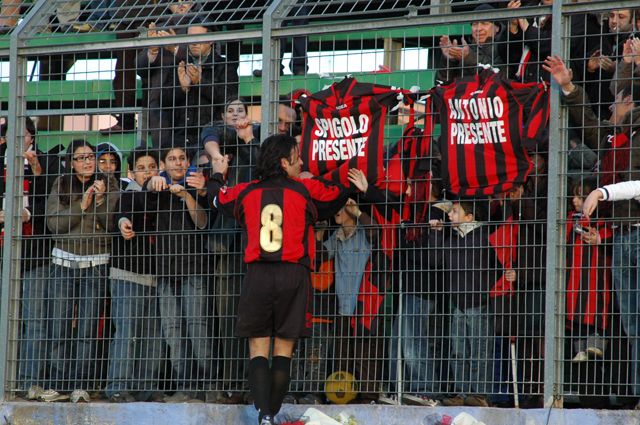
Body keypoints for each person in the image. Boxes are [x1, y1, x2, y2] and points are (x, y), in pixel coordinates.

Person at [207, 134, 356, 425]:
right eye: (297, 156)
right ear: (284, 162)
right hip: (294, 275)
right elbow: (337, 193)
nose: (302, 162)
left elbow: (216, 197)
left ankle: (264, 416)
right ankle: (270, 414)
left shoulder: (246, 191)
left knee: (258, 350)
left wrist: (217, 172)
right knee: (284, 352)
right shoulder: (305, 189)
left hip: (259, 275)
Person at [46, 139, 119, 400]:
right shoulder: (62, 184)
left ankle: (81, 385)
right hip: (63, 262)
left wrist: (99, 201)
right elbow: (54, 224)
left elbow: (110, 224)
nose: (88, 162)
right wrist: (82, 207)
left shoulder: (109, 184)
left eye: (91, 157)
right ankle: (59, 384)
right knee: (59, 325)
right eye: (81, 158)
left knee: (88, 328)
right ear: (71, 162)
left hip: (96, 263)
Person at [145, 145, 213, 402]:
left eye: (182, 158)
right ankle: (185, 386)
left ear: (188, 162)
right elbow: (140, 208)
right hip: (165, 271)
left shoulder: (196, 186)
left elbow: (203, 222)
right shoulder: (156, 188)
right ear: (163, 164)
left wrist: (187, 196)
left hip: (193, 269)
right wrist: (153, 184)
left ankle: (206, 386)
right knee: (173, 331)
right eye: (171, 159)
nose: (177, 163)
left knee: (198, 328)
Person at [0, 117, 62, 395]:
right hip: (4, 251)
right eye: (10, 134)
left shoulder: (47, 162)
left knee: (34, 320)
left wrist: (36, 172)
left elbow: (53, 201)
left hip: (34, 253)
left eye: (22, 134)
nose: (17, 139)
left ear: (32, 137)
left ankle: (27, 382)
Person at [105, 147, 165, 402]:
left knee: (153, 335)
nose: (147, 172)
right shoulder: (128, 195)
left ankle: (146, 387)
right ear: (131, 173)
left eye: (152, 166)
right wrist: (123, 224)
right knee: (127, 333)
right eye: (141, 168)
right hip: (127, 274)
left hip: (156, 277)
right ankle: (117, 386)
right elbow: (123, 214)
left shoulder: (165, 194)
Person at [429, 198, 497, 407]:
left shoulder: (485, 237)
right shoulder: (453, 239)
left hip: (479, 302)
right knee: (458, 351)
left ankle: (479, 395)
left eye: (455, 212)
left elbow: (496, 266)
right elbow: (435, 260)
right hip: (458, 304)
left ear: (469, 217)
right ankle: (462, 391)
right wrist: (437, 234)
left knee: (479, 350)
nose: (449, 215)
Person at [583, 180, 640, 407]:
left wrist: (599, 193)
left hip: (631, 235)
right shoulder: (614, 156)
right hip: (621, 234)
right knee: (632, 326)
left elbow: (636, 187)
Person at [566, 178, 611, 364]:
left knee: (595, 307)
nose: (575, 201)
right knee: (575, 311)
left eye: (580, 197)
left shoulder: (602, 220)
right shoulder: (569, 219)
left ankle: (596, 344)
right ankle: (580, 349)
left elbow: (609, 238)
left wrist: (599, 238)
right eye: (574, 197)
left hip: (596, 275)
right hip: (574, 275)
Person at [437, 3, 509, 84]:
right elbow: (441, 85)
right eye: (475, 24)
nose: (478, 28)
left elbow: (500, 77)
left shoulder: (506, 47)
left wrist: (469, 58)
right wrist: (449, 61)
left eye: (484, 23)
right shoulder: (463, 51)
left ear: (497, 28)